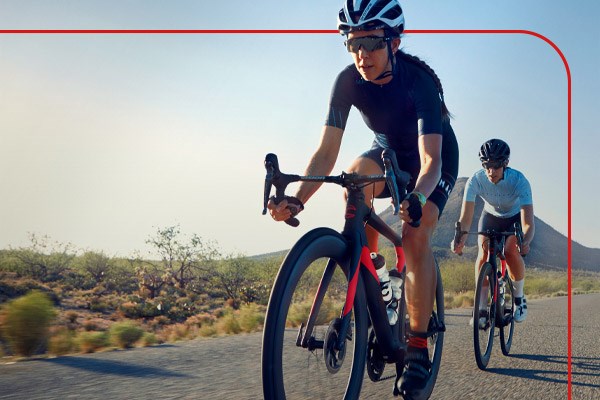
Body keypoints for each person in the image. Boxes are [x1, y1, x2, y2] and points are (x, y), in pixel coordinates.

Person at [267, 0, 458, 397]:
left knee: (415, 232)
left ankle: (418, 348)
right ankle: (375, 276)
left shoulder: (418, 81)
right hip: (386, 154)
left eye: (371, 42)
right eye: (352, 43)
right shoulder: (347, 82)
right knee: (354, 179)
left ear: (394, 41)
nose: (361, 54)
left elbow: (430, 161)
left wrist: (418, 199)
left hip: (431, 160)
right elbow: (324, 154)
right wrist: (298, 199)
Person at [451, 138, 535, 325]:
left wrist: (526, 241)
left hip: (513, 218)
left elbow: (528, 222)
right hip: (490, 216)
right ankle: (480, 307)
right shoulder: (475, 180)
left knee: (511, 250)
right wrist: (460, 239)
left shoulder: (519, 181)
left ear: (505, 164)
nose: (491, 171)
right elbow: (465, 218)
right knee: (483, 253)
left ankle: (519, 298)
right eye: (486, 165)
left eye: (496, 166)